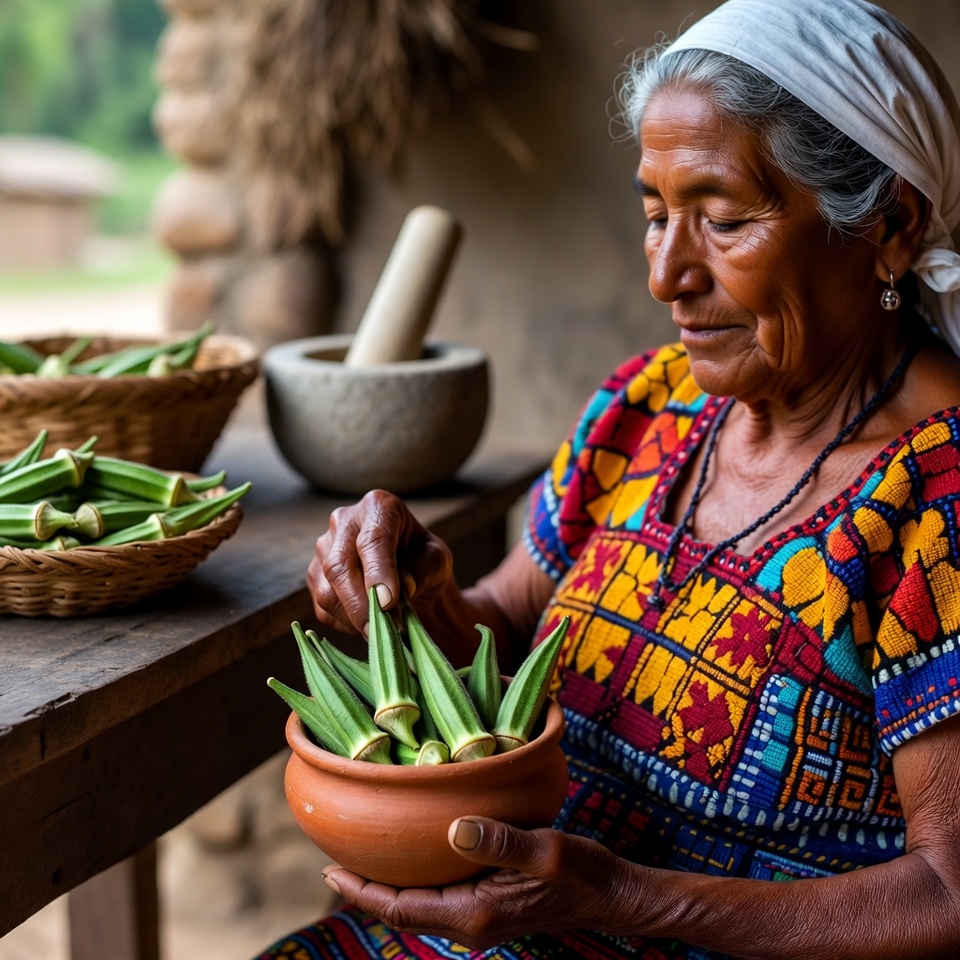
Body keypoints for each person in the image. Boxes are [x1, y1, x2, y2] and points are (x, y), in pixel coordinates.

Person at [254, 1, 960, 957]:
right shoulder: (646, 407)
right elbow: (502, 631)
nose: (668, 273)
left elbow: (949, 892)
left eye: (722, 219)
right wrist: (418, 600)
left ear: (889, 225)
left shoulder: (938, 495)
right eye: (655, 214)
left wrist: (626, 900)